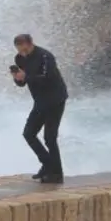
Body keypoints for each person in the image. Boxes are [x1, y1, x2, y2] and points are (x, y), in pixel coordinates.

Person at [11, 33, 68, 184]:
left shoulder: (45, 56)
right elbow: (24, 83)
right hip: (41, 102)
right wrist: (17, 79)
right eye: (19, 50)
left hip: (55, 99)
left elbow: (46, 78)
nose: (22, 53)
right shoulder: (19, 59)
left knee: (50, 138)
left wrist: (26, 77)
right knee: (29, 133)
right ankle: (48, 164)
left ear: (31, 44)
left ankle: (57, 174)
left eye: (25, 50)